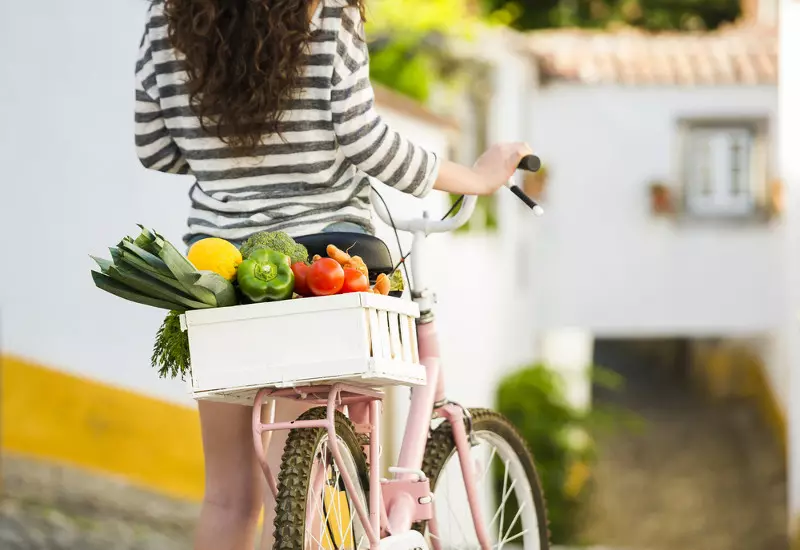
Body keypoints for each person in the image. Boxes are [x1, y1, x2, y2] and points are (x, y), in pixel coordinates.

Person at [134, 0, 533, 548]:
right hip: (325, 260)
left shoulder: (167, 13)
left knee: (227, 498)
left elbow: (155, 148)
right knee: (293, 489)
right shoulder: (325, 7)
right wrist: (475, 176)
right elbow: (362, 137)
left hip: (215, 267)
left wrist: (231, 158)